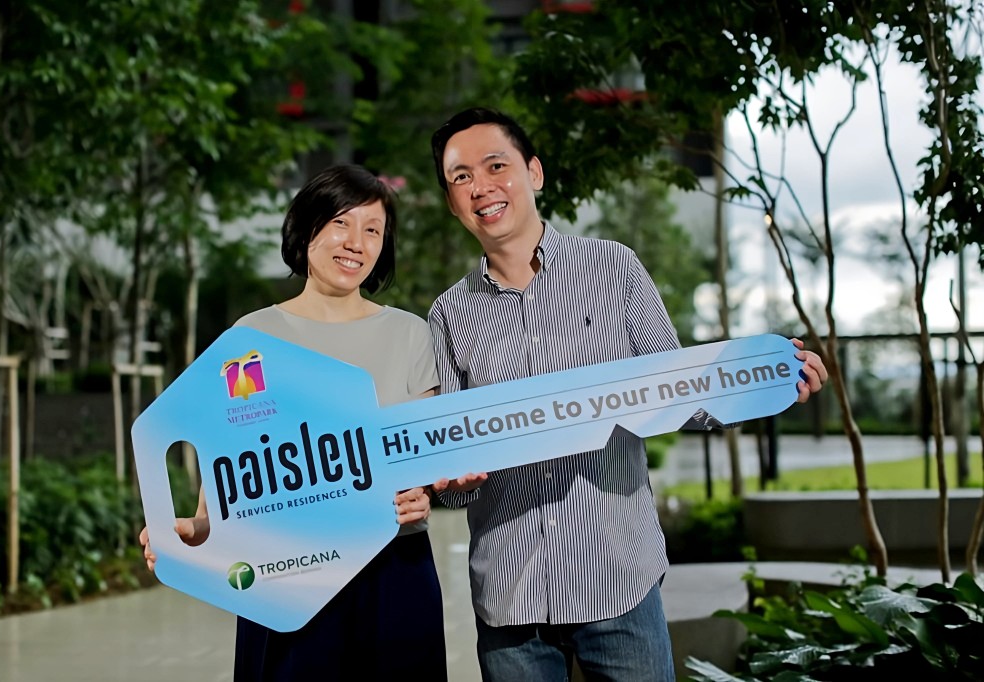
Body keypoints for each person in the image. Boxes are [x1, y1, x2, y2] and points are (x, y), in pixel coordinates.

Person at [427, 107, 828, 681]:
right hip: (509, 594)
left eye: (495, 165)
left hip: (617, 578)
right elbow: (453, 471)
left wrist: (767, 383)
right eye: (460, 177)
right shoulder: (446, 315)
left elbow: (681, 392)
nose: (480, 187)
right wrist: (454, 480)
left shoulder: (614, 270)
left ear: (534, 172)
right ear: (451, 201)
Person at [139, 164, 447, 681]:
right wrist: (189, 534)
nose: (356, 242)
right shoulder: (250, 338)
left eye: (373, 230)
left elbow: (424, 464)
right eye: (341, 223)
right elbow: (228, 489)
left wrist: (424, 494)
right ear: (307, 230)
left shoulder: (409, 335)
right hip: (286, 576)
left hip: (393, 571)